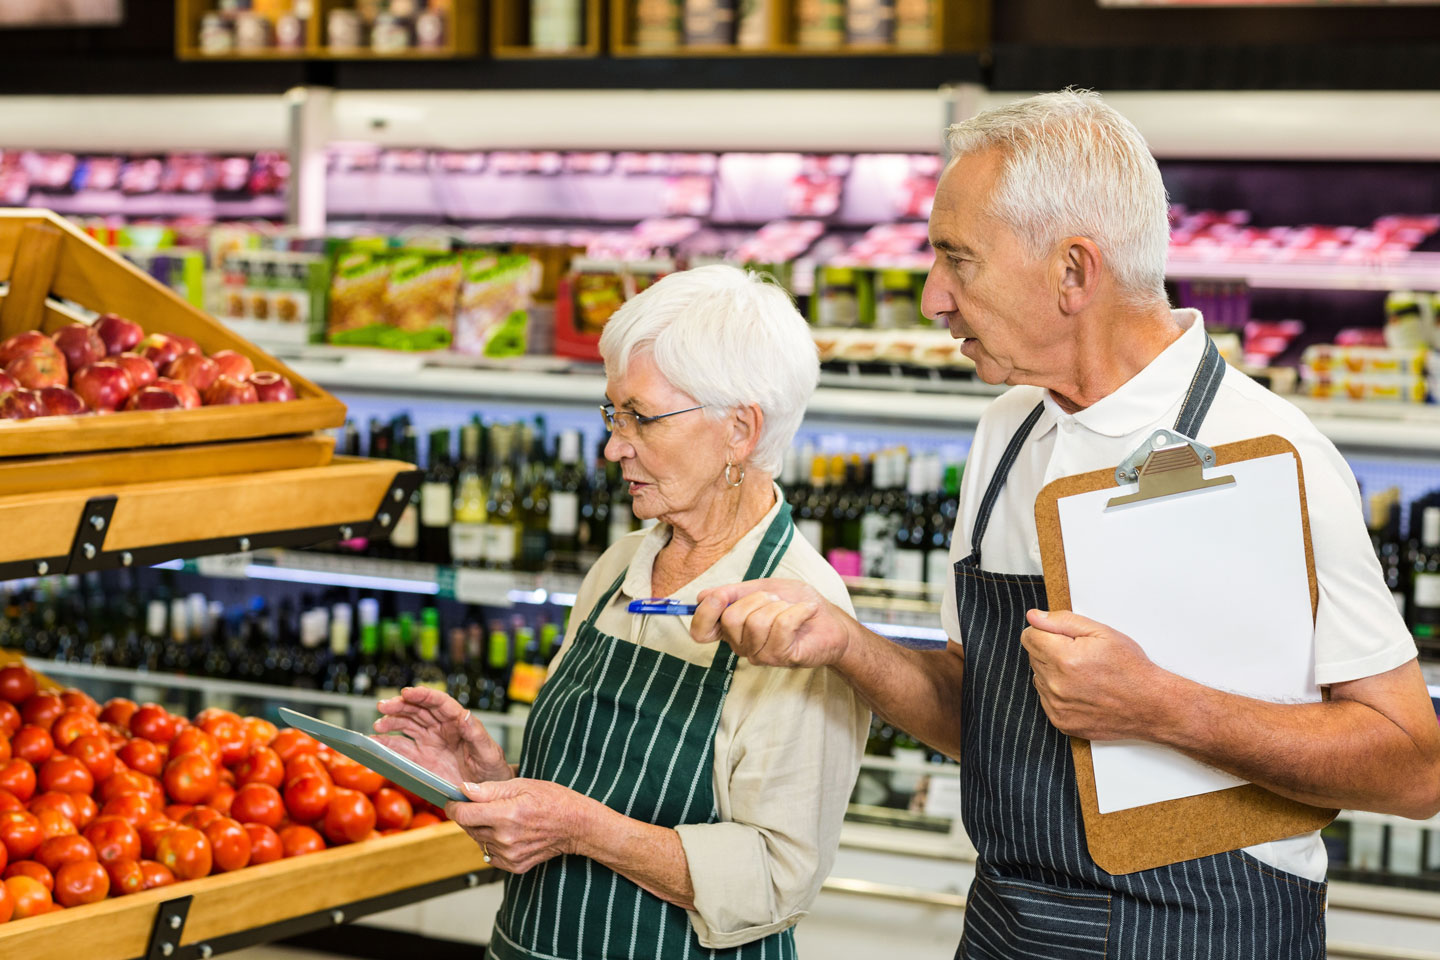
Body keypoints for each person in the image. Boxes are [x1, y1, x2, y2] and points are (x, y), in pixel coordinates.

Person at [690, 90, 1440, 959]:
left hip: (1204, 932)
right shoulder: (1008, 430)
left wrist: (1164, 707)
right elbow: (988, 713)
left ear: (1074, 272)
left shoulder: (1268, 454)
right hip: (1011, 923)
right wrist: (846, 644)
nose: (933, 298)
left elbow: (1411, 764)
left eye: (957, 259)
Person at [374, 264, 869, 960]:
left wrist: (585, 830)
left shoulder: (800, 615)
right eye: (613, 412)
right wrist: (490, 782)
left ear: (740, 430)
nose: (614, 445)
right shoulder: (617, 569)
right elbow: (587, 790)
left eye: (642, 416)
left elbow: (777, 875)